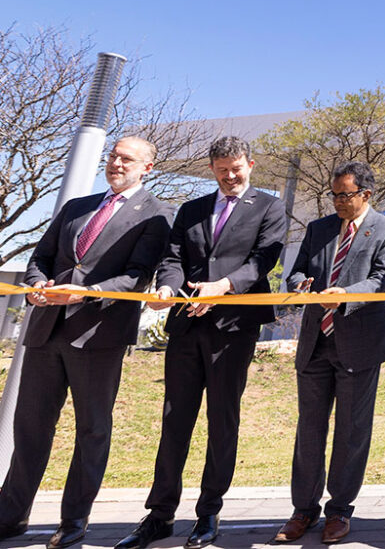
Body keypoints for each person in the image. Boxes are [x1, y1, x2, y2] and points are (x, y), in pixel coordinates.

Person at [0, 137, 173, 549]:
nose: (115, 162)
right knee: (30, 427)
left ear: (147, 167)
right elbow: (40, 257)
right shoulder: (77, 206)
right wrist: (37, 284)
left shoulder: (157, 214)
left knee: (92, 430)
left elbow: (137, 274)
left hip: (99, 336)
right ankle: (11, 514)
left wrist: (85, 292)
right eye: (113, 155)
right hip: (46, 330)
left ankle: (74, 519)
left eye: (126, 158)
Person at [115, 136, 287, 549]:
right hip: (186, 326)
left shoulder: (269, 206)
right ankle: (159, 515)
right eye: (222, 169)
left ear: (251, 164)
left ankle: (209, 513)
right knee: (175, 419)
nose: (230, 176)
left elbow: (265, 260)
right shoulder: (191, 209)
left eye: (237, 168)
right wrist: (171, 289)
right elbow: (173, 258)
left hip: (233, 326)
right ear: (212, 169)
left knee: (222, 420)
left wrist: (222, 287)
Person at [273, 161, 385, 544]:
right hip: (315, 343)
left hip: (359, 346)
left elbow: (384, 278)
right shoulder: (318, 229)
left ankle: (339, 511)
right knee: (309, 430)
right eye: (333, 195)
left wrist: (345, 296)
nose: (337, 202)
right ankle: (303, 511)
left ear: (366, 193)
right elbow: (294, 273)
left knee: (351, 432)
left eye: (345, 195)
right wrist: (301, 284)